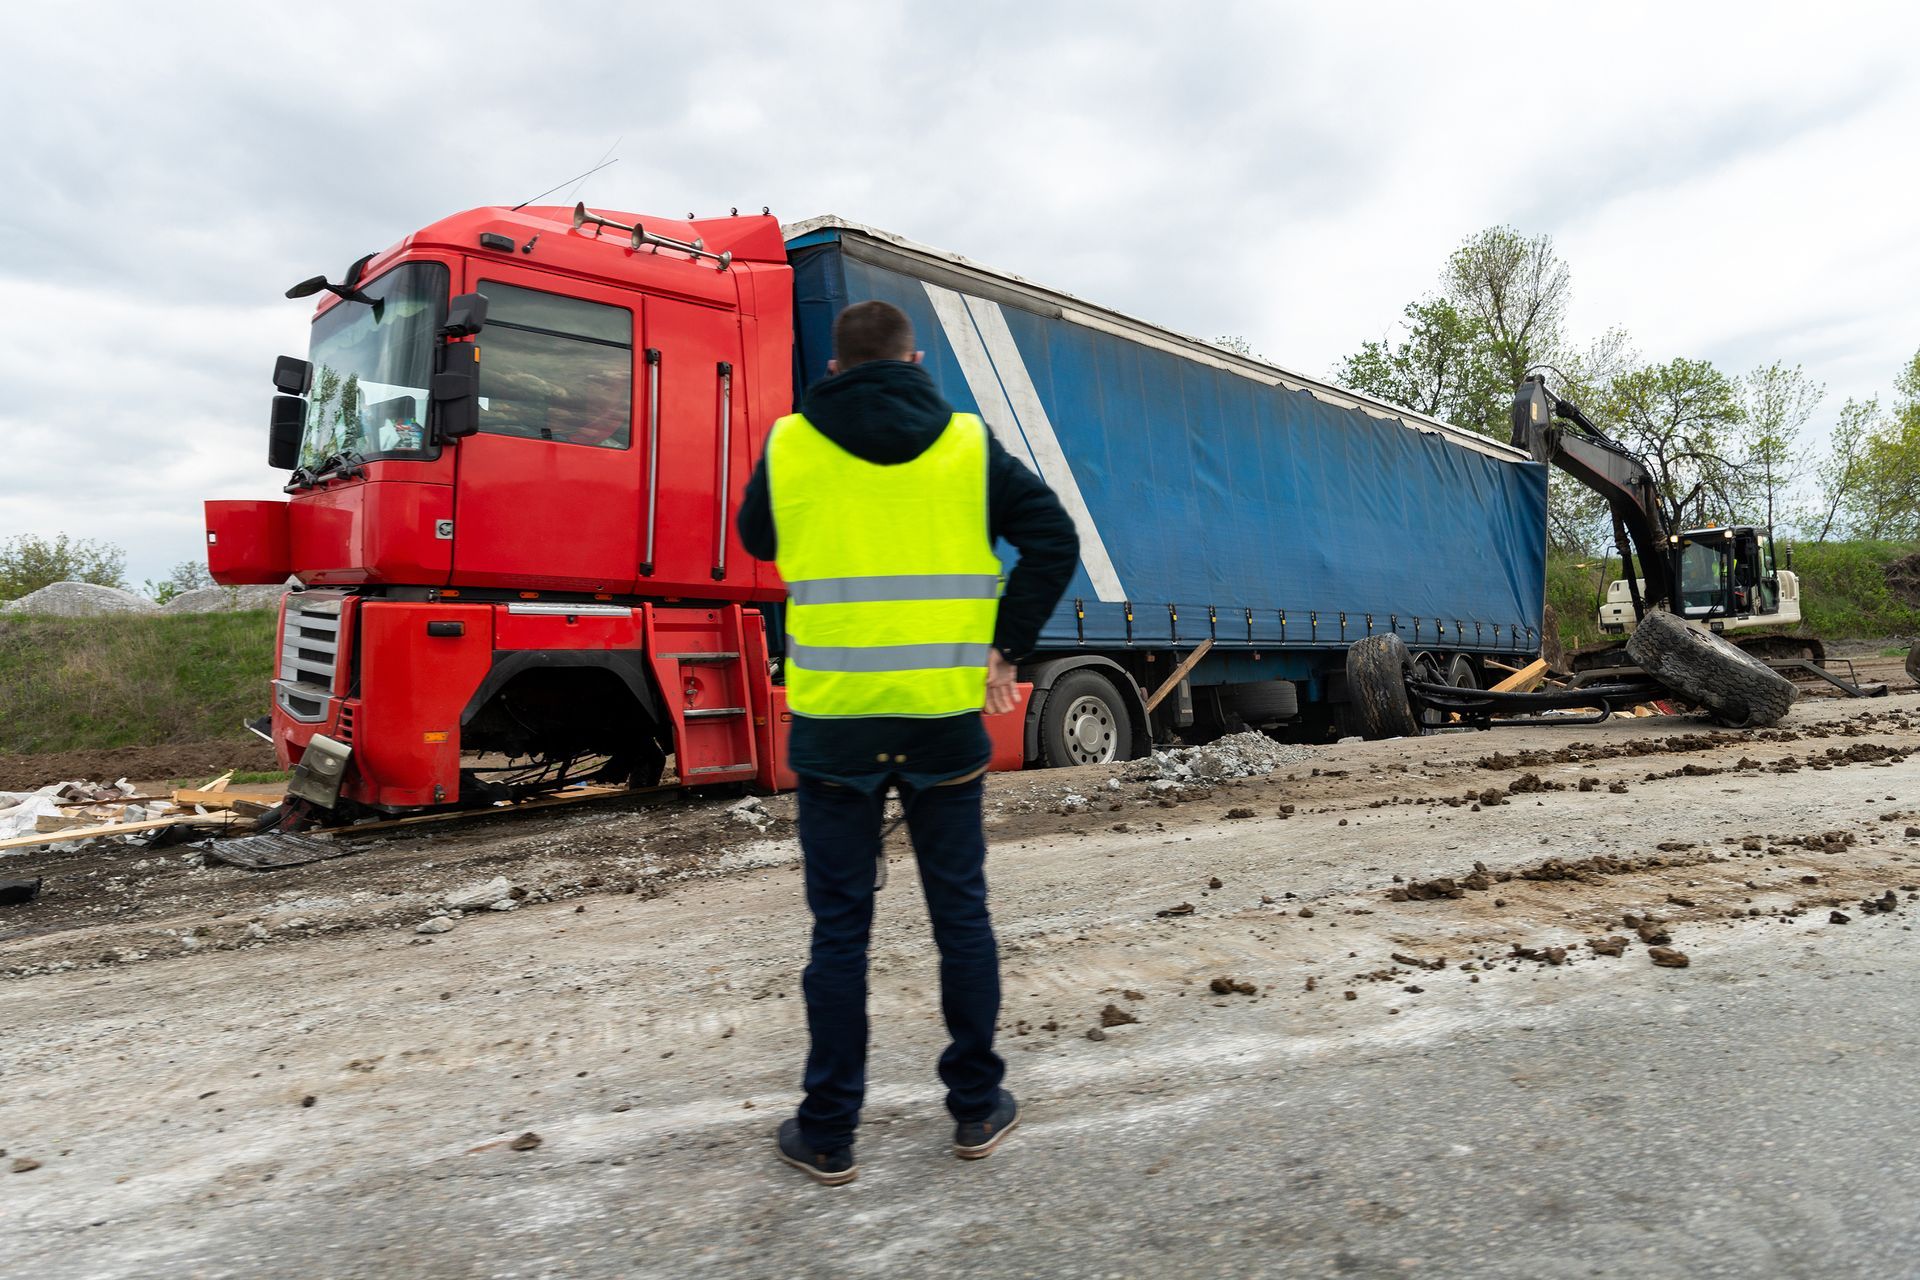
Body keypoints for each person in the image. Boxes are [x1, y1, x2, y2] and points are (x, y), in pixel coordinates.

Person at [736, 299, 1078, 1185]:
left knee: (839, 934)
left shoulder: (789, 444)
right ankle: (974, 1110)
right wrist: (1009, 641)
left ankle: (828, 1132)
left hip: (835, 731)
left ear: (839, 369)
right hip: (941, 723)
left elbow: (756, 539)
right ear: (915, 357)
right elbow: (1052, 537)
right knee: (960, 919)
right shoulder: (968, 445)